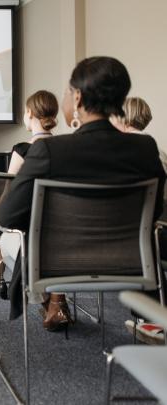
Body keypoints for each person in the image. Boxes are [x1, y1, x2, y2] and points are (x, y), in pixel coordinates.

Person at [0, 56, 165, 332]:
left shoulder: (50, 151)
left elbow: (7, 214)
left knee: (11, 241)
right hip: (129, 263)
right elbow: (154, 211)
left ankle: (53, 300)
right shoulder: (145, 149)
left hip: (57, 264)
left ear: (76, 98)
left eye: (66, 92)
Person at [0, 90, 58, 299]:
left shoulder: (23, 150)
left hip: (28, 232)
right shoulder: (64, 149)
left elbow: (8, 193)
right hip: (61, 232)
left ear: (29, 113)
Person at [110, 96, 167, 344]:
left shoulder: (115, 153)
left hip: (126, 233)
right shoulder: (158, 151)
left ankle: (150, 320)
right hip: (157, 226)